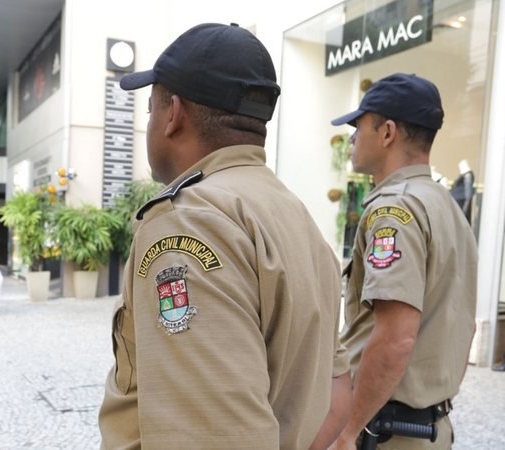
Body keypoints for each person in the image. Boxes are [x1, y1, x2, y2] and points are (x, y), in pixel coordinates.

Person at [98, 23, 350, 449]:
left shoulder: (190, 220)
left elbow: (217, 438)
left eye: (150, 109)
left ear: (173, 113)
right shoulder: (296, 216)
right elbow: (337, 394)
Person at [329, 73, 478, 449]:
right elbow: (466, 326)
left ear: (387, 132)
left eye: (358, 126)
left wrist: (348, 430)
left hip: (384, 432)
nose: (351, 139)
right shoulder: (447, 208)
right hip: (427, 427)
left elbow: (396, 338)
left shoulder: (394, 210)